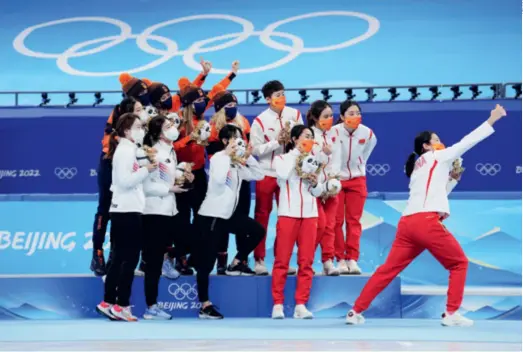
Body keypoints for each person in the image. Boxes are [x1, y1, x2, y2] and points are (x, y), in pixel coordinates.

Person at [345, 104, 507, 327]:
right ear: (426, 146)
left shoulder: (418, 167)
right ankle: (451, 313)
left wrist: (452, 179)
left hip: (407, 224)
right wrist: (492, 120)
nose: (441, 142)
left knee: (387, 270)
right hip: (426, 223)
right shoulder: (436, 156)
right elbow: (466, 143)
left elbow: (438, 192)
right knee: (459, 263)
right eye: (436, 139)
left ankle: (355, 311)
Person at [172, 60, 239, 275]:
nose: (205, 102)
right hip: (181, 175)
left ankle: (197, 254)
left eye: (204, 99)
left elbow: (218, 91)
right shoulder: (177, 121)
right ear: (189, 104)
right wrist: (190, 138)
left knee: (202, 216)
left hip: (200, 174)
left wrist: (231, 75)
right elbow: (171, 146)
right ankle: (180, 257)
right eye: (200, 99)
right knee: (181, 219)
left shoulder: (201, 114)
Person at [193, 125, 265, 319]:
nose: (239, 142)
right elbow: (217, 181)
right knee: (207, 263)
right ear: (225, 141)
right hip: (212, 216)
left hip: (228, 216)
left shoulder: (237, 164)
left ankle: (236, 263)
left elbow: (259, 175)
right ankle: (204, 304)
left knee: (258, 230)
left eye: (241, 139)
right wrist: (228, 155)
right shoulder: (218, 158)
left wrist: (247, 157)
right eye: (235, 139)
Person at [96, 113, 155, 322]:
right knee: (127, 260)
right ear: (127, 130)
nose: (142, 130)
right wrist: (146, 170)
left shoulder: (129, 149)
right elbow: (123, 181)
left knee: (122, 258)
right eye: (139, 126)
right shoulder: (125, 151)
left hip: (127, 210)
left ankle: (109, 302)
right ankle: (120, 304)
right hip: (126, 212)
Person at [90, 86, 150, 277]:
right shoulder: (117, 136)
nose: (143, 113)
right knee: (105, 210)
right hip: (109, 167)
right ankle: (97, 254)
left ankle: (114, 258)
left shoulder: (138, 131)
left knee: (121, 214)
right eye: (139, 110)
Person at [140, 115, 195, 320]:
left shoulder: (170, 149)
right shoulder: (151, 152)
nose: (174, 128)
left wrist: (184, 178)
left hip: (170, 209)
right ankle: (151, 307)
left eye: (173, 124)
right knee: (152, 262)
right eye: (168, 125)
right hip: (153, 211)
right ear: (158, 131)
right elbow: (146, 185)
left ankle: (168, 257)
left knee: (193, 239)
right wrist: (170, 188)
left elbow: (169, 177)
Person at [271, 125, 325, 320]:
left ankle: (301, 304)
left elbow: (319, 192)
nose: (309, 139)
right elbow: (284, 175)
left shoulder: (316, 161)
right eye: (305, 136)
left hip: (310, 215)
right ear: (294, 139)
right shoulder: (282, 159)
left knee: (306, 262)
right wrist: (299, 160)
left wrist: (315, 182)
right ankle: (277, 304)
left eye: (311, 137)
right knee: (282, 261)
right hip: (288, 214)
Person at [250, 80, 303, 276]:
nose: (281, 97)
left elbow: (303, 140)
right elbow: (254, 150)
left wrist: (292, 141)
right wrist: (276, 142)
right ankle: (259, 259)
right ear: (267, 99)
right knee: (262, 217)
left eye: (283, 93)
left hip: (288, 174)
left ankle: (283, 260)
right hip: (266, 173)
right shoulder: (260, 121)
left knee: (286, 219)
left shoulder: (295, 115)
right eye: (277, 95)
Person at [207, 88, 254, 275]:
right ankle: (221, 261)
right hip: (223, 181)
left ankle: (240, 261)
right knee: (223, 220)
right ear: (219, 109)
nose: (233, 109)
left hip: (241, 179)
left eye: (235, 105)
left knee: (242, 220)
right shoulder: (211, 130)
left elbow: (248, 150)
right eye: (228, 105)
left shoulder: (244, 124)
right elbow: (212, 157)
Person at [333, 100, 377, 275]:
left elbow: (365, 155)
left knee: (354, 221)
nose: (355, 116)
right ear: (342, 116)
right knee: (336, 221)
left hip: (357, 180)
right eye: (350, 113)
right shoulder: (333, 132)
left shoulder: (368, 134)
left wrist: (359, 168)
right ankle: (340, 259)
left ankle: (352, 259)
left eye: (358, 113)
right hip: (337, 180)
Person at [306, 100, 342, 276]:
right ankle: (307, 261)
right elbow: (307, 163)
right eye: (325, 116)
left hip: (330, 189)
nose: (329, 119)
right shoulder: (309, 135)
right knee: (318, 226)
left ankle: (328, 261)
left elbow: (336, 161)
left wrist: (332, 181)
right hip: (313, 189)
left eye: (331, 116)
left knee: (330, 226)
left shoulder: (332, 135)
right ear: (314, 117)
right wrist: (322, 154)